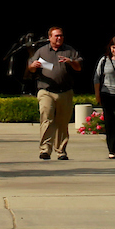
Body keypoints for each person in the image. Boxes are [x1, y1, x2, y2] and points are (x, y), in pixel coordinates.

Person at [28, 25, 84, 161]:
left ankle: (61, 151)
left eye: (61, 35)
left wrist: (70, 61)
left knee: (62, 122)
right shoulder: (41, 51)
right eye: (56, 35)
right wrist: (33, 66)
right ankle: (45, 150)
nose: (59, 38)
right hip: (46, 91)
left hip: (65, 91)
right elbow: (31, 68)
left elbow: (79, 67)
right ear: (50, 37)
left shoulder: (69, 50)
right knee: (46, 118)